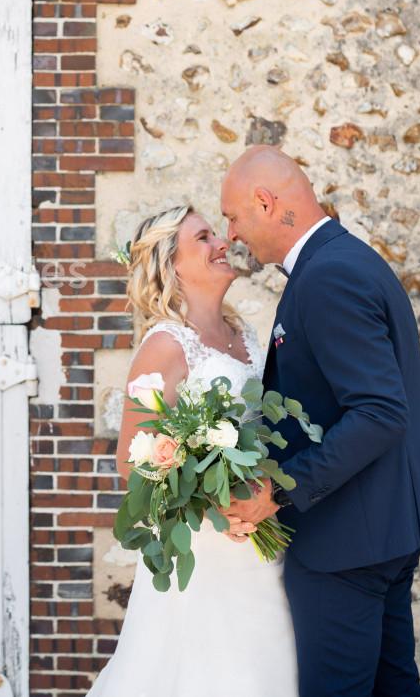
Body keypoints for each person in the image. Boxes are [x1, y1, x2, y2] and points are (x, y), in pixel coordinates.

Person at [219, 145, 420, 697]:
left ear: (264, 202)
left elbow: (380, 413)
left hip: (346, 541)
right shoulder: (343, 259)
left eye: (233, 217)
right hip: (379, 530)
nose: (231, 234)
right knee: (393, 684)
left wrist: (278, 493)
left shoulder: (328, 276)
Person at [88, 203, 298, 697]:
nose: (221, 242)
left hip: (261, 541)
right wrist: (216, 497)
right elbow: (132, 459)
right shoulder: (161, 348)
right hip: (206, 549)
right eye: (203, 237)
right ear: (171, 266)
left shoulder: (244, 336)